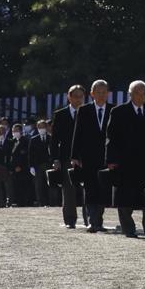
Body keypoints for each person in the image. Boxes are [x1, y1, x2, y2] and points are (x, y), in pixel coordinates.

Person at [104, 82, 145, 237]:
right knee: (125, 196)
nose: (141, 97)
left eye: (143, 93)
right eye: (137, 93)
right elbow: (111, 137)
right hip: (125, 161)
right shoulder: (119, 111)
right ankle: (128, 228)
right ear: (130, 94)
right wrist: (111, 159)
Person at [70, 80, 114, 233]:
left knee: (103, 189)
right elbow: (78, 133)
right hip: (87, 157)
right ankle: (92, 221)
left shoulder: (113, 110)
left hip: (107, 157)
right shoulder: (84, 110)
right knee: (89, 188)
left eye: (104, 92)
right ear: (92, 94)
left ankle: (99, 221)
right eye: (98, 92)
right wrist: (74, 156)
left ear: (108, 93)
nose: (101, 95)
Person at [50, 86, 85, 227]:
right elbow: (54, 140)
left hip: (84, 157)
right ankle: (70, 220)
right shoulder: (60, 114)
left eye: (81, 96)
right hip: (66, 157)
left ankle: (90, 219)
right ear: (69, 97)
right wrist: (55, 159)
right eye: (75, 96)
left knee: (87, 189)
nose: (78, 99)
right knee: (68, 190)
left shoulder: (87, 111)